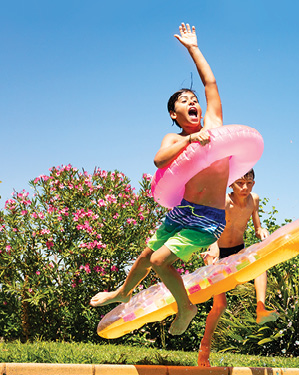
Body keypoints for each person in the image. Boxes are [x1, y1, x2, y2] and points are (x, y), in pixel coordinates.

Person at [90, 23, 229, 336]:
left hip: (207, 219)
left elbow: (211, 82)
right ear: (173, 114)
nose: (192, 101)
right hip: (182, 211)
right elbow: (159, 159)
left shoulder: (216, 125)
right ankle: (121, 293)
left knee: (159, 260)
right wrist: (190, 141)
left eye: (193, 99)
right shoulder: (175, 138)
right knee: (144, 256)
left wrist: (193, 48)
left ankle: (186, 306)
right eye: (183, 100)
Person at [197, 169, 278, 366]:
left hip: (237, 250)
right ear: (230, 184)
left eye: (249, 183)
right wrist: (213, 248)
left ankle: (261, 308)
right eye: (240, 183)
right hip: (217, 251)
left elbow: (257, 228)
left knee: (260, 264)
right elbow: (211, 228)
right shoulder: (223, 201)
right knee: (220, 306)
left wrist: (262, 231)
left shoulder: (253, 200)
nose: (245, 187)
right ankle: (204, 351)